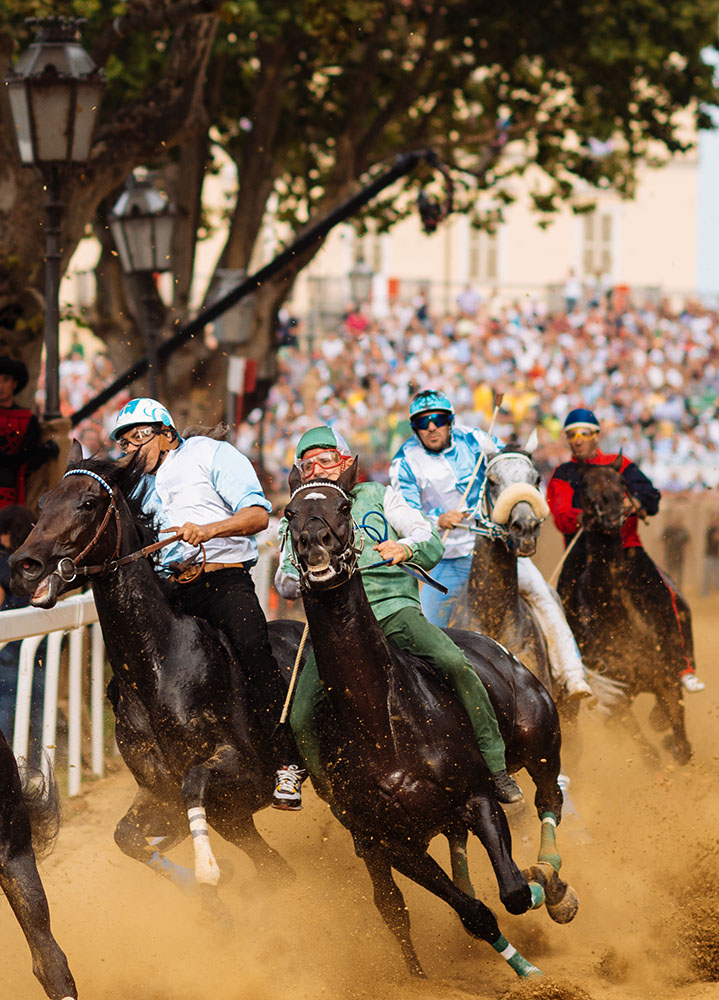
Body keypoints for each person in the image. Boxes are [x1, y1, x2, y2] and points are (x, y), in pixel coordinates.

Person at [275, 425, 523, 805]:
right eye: (307, 466)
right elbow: (284, 569)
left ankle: (495, 765)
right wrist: (290, 576)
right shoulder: (295, 513)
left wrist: (406, 548)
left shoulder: (380, 495)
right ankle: (333, 798)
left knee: (454, 663)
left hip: (392, 609)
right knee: (300, 714)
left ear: (344, 463)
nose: (317, 470)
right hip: (334, 628)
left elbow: (428, 536)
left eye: (325, 460)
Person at [110, 398, 305, 809]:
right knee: (124, 679)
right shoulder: (135, 485)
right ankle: (162, 777)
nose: (131, 449)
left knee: (253, 651)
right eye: (125, 444)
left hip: (223, 580)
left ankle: (288, 762)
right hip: (169, 590)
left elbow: (256, 516)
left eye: (137, 438)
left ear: (166, 433)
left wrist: (209, 529)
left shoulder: (211, 454)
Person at [390, 390, 592, 701]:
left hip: (494, 546)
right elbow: (403, 509)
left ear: (450, 421)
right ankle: (428, 703)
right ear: (414, 428)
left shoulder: (474, 439)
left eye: (439, 419)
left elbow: (512, 467)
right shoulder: (404, 461)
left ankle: (571, 673)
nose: (432, 427)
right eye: (423, 422)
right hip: (444, 557)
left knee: (545, 596)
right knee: (426, 631)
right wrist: (437, 518)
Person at [547, 407, 704, 693]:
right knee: (559, 608)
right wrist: (584, 515)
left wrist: (634, 503)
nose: (578, 439)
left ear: (596, 435)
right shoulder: (562, 473)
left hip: (627, 548)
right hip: (582, 554)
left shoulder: (621, 464)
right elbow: (561, 516)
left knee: (670, 598)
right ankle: (568, 678)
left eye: (584, 433)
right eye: (572, 435)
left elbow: (650, 496)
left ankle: (682, 667)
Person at [0, 505, 46, 759]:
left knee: (5, 706)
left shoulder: (3, 564)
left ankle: (6, 767)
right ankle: (37, 765)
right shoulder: (39, 563)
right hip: (41, 645)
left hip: (9, 648)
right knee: (38, 708)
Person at [0, 357, 58, 510]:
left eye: (5, 380)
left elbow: (29, 458)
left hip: (11, 493)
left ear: (15, 383)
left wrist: (45, 451)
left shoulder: (28, 419)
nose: (0, 385)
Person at [662, 518, 690, 589]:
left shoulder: (683, 531)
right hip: (670, 554)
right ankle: (670, 586)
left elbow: (687, 542)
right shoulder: (669, 530)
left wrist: (688, 552)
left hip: (680, 555)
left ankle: (679, 587)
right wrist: (662, 552)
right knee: (670, 571)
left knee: (679, 572)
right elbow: (662, 541)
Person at [702, 515, 719, 598]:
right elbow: (714, 539)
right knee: (707, 575)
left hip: (716, 556)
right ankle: (704, 592)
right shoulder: (710, 530)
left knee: (716, 575)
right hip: (710, 555)